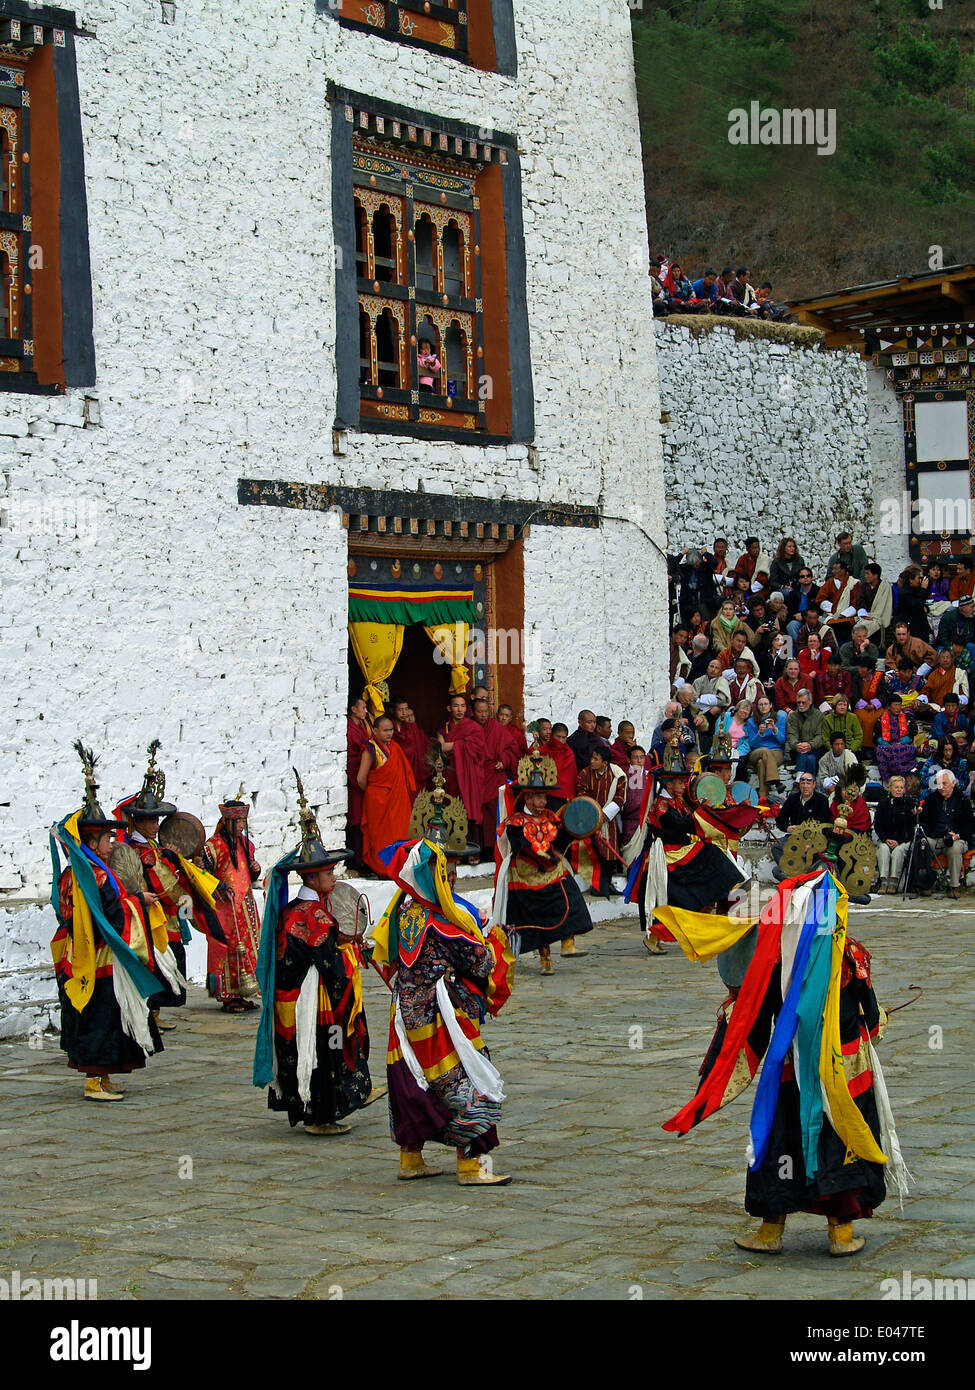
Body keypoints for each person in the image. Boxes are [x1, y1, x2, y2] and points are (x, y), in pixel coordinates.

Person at [663, 872, 905, 1258]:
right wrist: (878, 1024)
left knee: (782, 1145)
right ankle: (841, 1233)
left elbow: (758, 1022)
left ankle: (769, 1230)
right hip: (847, 1075)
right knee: (840, 1143)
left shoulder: (781, 963)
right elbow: (871, 1022)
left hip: (793, 1072)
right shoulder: (853, 955)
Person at [375, 825, 514, 1184]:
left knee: (412, 1081)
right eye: (445, 871)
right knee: (469, 1077)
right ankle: (471, 1165)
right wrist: (493, 939)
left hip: (404, 1017)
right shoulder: (443, 926)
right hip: (442, 1018)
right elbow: (482, 962)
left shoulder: (405, 914)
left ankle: (411, 1158)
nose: (450, 876)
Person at [253, 778, 376, 1135]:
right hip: (316, 1004)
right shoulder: (316, 917)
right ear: (311, 875)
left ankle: (306, 1106)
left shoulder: (292, 910)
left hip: (288, 1001)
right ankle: (322, 1113)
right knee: (328, 1048)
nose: (334, 878)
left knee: (299, 1050)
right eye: (327, 872)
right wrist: (349, 961)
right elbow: (332, 971)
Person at [50, 743, 163, 1101]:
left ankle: (105, 1076)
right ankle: (94, 1078)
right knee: (99, 1015)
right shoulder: (90, 876)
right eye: (108, 837)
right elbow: (107, 916)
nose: (113, 844)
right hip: (95, 956)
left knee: (108, 1016)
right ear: (92, 839)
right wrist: (135, 902)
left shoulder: (88, 872)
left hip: (94, 953)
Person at [115, 741, 226, 1033]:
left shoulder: (158, 850)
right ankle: (148, 1013)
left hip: (169, 917)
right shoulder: (135, 854)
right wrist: (179, 895)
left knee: (169, 965)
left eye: (156, 820)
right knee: (153, 965)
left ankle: (155, 1012)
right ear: (137, 822)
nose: (155, 825)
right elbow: (161, 884)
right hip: (151, 918)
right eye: (149, 820)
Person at [623, 765, 747, 957]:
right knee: (673, 896)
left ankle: (705, 923)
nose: (683, 785)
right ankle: (655, 936)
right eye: (680, 782)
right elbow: (681, 824)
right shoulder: (661, 804)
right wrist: (701, 811)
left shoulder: (678, 801)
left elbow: (690, 819)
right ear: (669, 785)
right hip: (667, 855)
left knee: (705, 868)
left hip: (681, 850)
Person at [492, 755, 595, 974]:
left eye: (544, 798)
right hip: (526, 875)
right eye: (538, 798)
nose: (542, 802)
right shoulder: (516, 822)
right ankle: (545, 957)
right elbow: (522, 847)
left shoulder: (550, 817)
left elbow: (560, 840)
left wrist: (580, 828)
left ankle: (568, 942)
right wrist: (544, 859)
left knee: (570, 892)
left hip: (552, 870)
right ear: (528, 798)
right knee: (536, 918)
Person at [202, 791, 262, 1013]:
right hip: (224, 907)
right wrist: (218, 887)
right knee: (227, 949)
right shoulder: (212, 847)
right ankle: (228, 997)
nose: (241, 826)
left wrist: (256, 870)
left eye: (243, 821)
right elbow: (203, 875)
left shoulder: (247, 844)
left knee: (246, 949)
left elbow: (248, 872)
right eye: (237, 821)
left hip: (245, 906)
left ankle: (244, 993)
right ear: (227, 821)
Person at [358, 714, 417, 876]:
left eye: (391, 730)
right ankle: (382, 868)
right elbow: (361, 779)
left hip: (397, 800)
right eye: (385, 730)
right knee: (380, 836)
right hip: (378, 801)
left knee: (399, 832)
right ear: (375, 731)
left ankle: (398, 866)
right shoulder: (370, 750)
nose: (389, 733)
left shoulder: (395, 748)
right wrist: (375, 792)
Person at [471, 697, 520, 856]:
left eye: (486, 711)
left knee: (494, 811)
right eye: (480, 712)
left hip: (493, 774)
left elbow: (511, 750)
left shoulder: (496, 728)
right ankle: (476, 849)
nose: (484, 715)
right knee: (475, 813)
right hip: (474, 775)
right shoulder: (468, 727)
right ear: (473, 712)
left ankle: (495, 849)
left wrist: (504, 761)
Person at [437, 694, 489, 835]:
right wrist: (463, 744)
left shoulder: (473, 727)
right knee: (452, 807)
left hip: (470, 774)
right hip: (452, 774)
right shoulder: (445, 728)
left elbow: (479, 750)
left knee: (469, 807)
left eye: (463, 706)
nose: (460, 709)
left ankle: (473, 853)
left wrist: (453, 746)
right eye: (456, 706)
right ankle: (456, 852)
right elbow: (440, 748)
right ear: (449, 708)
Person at [919, 768, 975, 898]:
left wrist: (957, 835)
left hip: (957, 838)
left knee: (954, 849)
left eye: (944, 783)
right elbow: (925, 822)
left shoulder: (963, 801)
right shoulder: (931, 799)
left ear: (953, 783)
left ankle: (954, 886)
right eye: (939, 784)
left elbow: (969, 826)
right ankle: (926, 883)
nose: (941, 787)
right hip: (936, 836)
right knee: (922, 844)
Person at [873, 775, 916, 893]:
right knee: (883, 849)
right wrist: (886, 839)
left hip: (903, 840)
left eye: (901, 788)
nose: (899, 790)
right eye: (896, 787)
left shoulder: (908, 804)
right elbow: (878, 825)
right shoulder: (883, 804)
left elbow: (910, 828)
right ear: (890, 788)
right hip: (886, 839)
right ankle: (883, 881)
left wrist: (898, 841)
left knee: (898, 851)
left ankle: (893, 882)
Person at [346, 698, 372, 866]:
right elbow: (352, 753)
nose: (366, 711)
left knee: (362, 816)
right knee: (354, 817)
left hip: (362, 773)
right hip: (354, 775)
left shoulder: (363, 726)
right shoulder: (348, 728)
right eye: (363, 708)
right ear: (354, 709)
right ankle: (355, 860)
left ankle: (362, 858)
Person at [744, 696, 786, 800]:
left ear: (771, 705)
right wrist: (760, 733)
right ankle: (776, 781)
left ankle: (763, 796)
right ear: (757, 707)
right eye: (760, 704)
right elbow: (752, 743)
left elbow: (782, 741)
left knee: (761, 763)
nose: (763, 707)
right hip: (757, 751)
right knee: (765, 751)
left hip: (776, 751)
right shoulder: (751, 721)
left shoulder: (779, 718)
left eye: (766, 704)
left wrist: (775, 730)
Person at [391, 697, 431, 793]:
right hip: (397, 772)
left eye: (406, 709)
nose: (404, 713)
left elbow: (424, 748)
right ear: (392, 710)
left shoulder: (412, 728)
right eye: (400, 710)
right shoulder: (389, 727)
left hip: (414, 772)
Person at [785, 688, 823, 776]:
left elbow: (820, 736)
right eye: (798, 702)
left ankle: (799, 779)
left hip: (815, 748)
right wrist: (796, 744)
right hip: (798, 750)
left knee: (811, 758)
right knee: (807, 756)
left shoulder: (819, 715)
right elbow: (791, 734)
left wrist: (810, 745)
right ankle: (809, 782)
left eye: (803, 702)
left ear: (810, 701)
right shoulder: (793, 716)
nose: (801, 705)